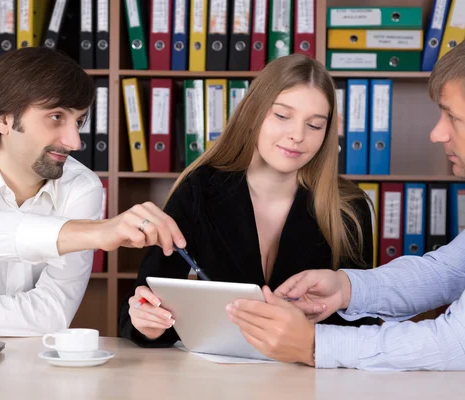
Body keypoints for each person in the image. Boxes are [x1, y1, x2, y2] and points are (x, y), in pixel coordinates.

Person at [228, 24, 465, 370]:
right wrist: (346, 288)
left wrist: (313, 345)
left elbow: (458, 343)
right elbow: (447, 271)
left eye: (452, 117)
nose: (437, 133)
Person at [0, 47, 185, 336]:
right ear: (3, 119)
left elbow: (52, 312)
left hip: (23, 363)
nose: (74, 141)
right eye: (56, 117)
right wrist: (97, 232)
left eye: (78, 121)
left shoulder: (81, 186)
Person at [119, 53, 376, 357]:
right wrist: (146, 323)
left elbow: (360, 320)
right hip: (214, 378)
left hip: (304, 379)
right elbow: (141, 305)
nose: (297, 135)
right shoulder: (199, 189)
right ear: (254, 112)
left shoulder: (349, 207)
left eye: (315, 125)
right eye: (282, 116)